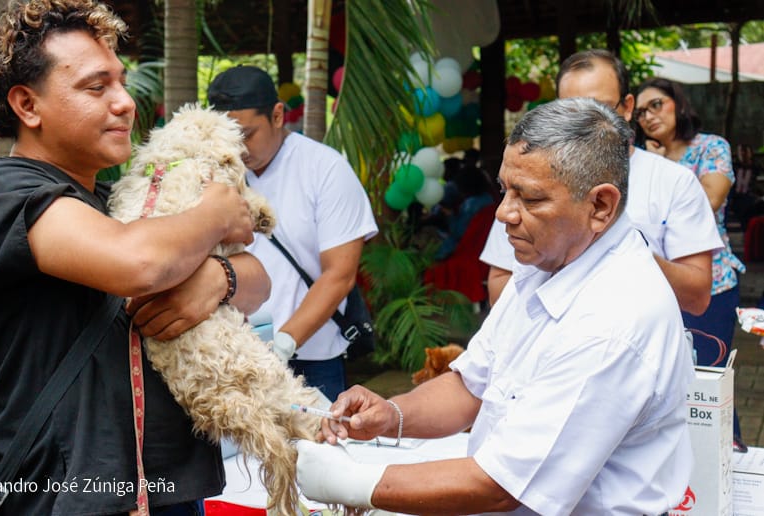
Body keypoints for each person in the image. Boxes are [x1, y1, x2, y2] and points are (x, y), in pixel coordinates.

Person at [0, 1, 271, 514]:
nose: (125, 103)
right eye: (96, 88)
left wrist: (220, 277)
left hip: (168, 489)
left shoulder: (116, 201)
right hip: (62, 493)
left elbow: (260, 279)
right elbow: (138, 263)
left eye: (122, 82)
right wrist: (217, 212)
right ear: (27, 105)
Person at [295, 97, 695, 515]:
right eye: (505, 190)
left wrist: (354, 483)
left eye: (531, 198)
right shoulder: (547, 265)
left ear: (600, 206)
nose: (504, 213)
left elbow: (505, 484)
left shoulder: (613, 321)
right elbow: (472, 385)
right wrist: (391, 414)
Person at [481, 50, 721, 316]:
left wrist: (623, 249)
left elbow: (697, 297)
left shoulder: (674, 181)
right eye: (571, 111)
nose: (584, 126)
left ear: (627, 107)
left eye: (600, 109)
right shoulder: (529, 182)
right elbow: (499, 285)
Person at [207, 66, 378, 401]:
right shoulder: (215, 175)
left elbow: (339, 275)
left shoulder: (324, 169)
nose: (237, 149)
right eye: (226, 138)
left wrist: (283, 344)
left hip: (310, 359)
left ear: (277, 115)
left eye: (246, 134)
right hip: (231, 357)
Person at [634, 77, 748, 453]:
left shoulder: (710, 147)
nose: (648, 117)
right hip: (654, 286)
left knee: (707, 379)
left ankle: (726, 456)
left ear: (678, 104)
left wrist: (662, 165)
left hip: (709, 284)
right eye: (640, 112)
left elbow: (710, 199)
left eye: (657, 104)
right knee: (663, 382)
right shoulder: (638, 159)